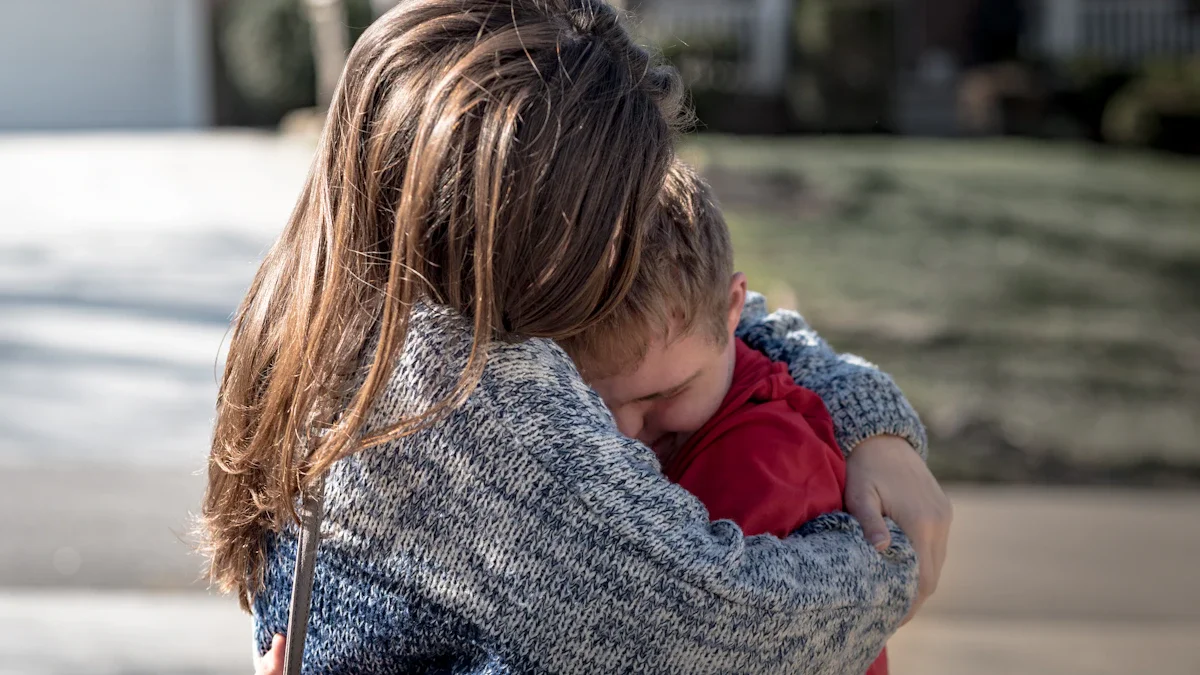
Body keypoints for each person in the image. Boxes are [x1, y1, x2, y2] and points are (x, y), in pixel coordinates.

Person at [206, 1, 951, 673]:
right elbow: (722, 629)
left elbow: (723, 315)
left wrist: (866, 418)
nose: (630, 248)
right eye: (614, 220)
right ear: (520, 219)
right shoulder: (468, 396)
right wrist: (891, 556)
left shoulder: (327, 301)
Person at [564, 161, 892, 674]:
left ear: (733, 307)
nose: (624, 433)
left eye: (665, 395)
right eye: (594, 400)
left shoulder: (770, 466)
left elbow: (680, 642)